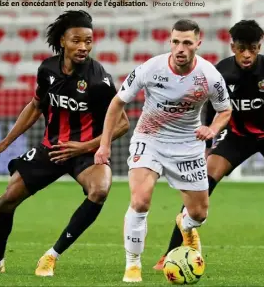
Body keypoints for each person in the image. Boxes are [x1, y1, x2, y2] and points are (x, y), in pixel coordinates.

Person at [153, 19, 264, 272]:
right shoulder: (220, 73)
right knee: (201, 182)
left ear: (259, 46)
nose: (247, 54)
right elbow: (210, 104)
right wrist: (209, 142)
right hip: (236, 135)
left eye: (252, 48)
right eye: (241, 48)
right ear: (232, 47)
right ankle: (170, 253)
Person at [0, 10, 130, 276]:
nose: (83, 47)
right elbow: (36, 107)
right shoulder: (47, 69)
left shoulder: (98, 79)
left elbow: (122, 123)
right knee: (5, 201)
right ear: (62, 41)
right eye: (76, 40)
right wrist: (4, 143)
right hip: (52, 147)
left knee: (100, 189)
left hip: (84, 151)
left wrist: (85, 146)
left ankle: (52, 255)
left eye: (89, 41)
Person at [94, 19, 232, 282]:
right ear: (170, 41)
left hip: (188, 145)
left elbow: (225, 110)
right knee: (140, 200)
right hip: (150, 139)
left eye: (187, 43)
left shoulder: (210, 76)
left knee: (199, 214)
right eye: (175, 41)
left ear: (198, 44)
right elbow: (117, 103)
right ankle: (132, 264)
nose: (180, 48)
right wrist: (104, 144)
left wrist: (212, 130)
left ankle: (186, 225)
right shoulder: (150, 68)